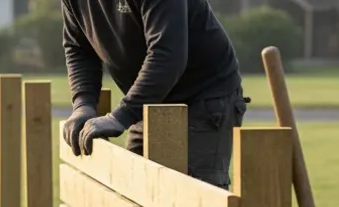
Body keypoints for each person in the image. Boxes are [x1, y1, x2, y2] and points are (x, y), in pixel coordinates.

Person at [60, 0, 249, 189]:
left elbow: (167, 55)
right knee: (137, 196)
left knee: (189, 201)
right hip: (149, 100)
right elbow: (78, 48)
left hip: (203, 96)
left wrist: (122, 116)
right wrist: (83, 104)